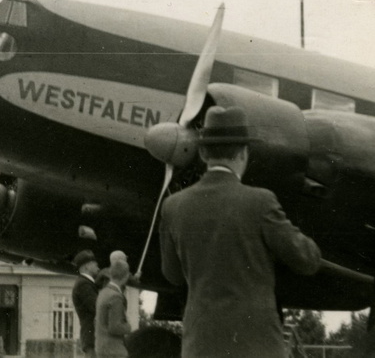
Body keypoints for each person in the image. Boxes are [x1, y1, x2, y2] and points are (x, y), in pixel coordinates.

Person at [159, 106, 322, 358]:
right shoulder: (261, 202)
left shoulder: (172, 206)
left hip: (200, 346)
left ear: (202, 153)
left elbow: (172, 275)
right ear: (244, 153)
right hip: (256, 346)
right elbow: (307, 260)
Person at [95, 261, 132, 358]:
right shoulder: (116, 297)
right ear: (126, 276)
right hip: (114, 351)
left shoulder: (103, 293)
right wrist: (128, 327)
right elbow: (115, 327)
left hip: (102, 348)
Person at [72, 249, 100, 358]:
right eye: (94, 264)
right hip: (92, 336)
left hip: (91, 335)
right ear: (86, 267)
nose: (98, 267)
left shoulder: (85, 283)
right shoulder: (84, 285)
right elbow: (97, 307)